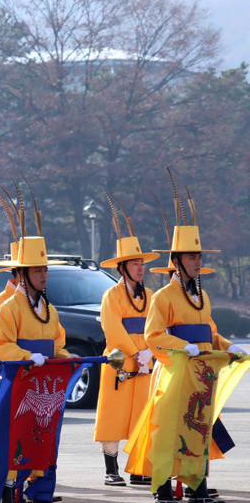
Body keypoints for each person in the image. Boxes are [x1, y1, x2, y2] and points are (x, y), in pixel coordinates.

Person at [126, 211, 245, 503]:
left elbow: (212, 334)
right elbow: (153, 336)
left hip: (202, 377)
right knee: (168, 432)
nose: (197, 261)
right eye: (191, 257)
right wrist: (183, 346)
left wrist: (233, 348)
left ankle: (197, 488)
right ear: (176, 261)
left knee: (199, 431)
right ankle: (162, 491)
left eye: (199, 256)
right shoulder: (163, 296)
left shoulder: (201, 297)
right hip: (175, 374)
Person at [0, 235, 72, 503]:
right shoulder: (8, 308)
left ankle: (41, 497)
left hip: (46, 385)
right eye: (37, 270)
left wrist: (66, 357)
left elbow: (57, 343)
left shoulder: (50, 311)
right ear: (21, 275)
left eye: (45, 270)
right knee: (15, 441)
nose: (43, 275)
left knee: (46, 439)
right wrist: (26, 355)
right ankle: (7, 498)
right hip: (19, 384)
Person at [93, 206, 159, 487]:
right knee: (113, 417)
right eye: (134, 264)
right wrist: (135, 355)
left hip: (146, 361)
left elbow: (158, 328)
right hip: (121, 362)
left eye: (141, 263)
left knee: (142, 417)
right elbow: (112, 328)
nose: (140, 268)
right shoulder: (111, 295)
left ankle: (139, 468)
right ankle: (111, 469)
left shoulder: (152, 295)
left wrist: (150, 353)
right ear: (122, 268)